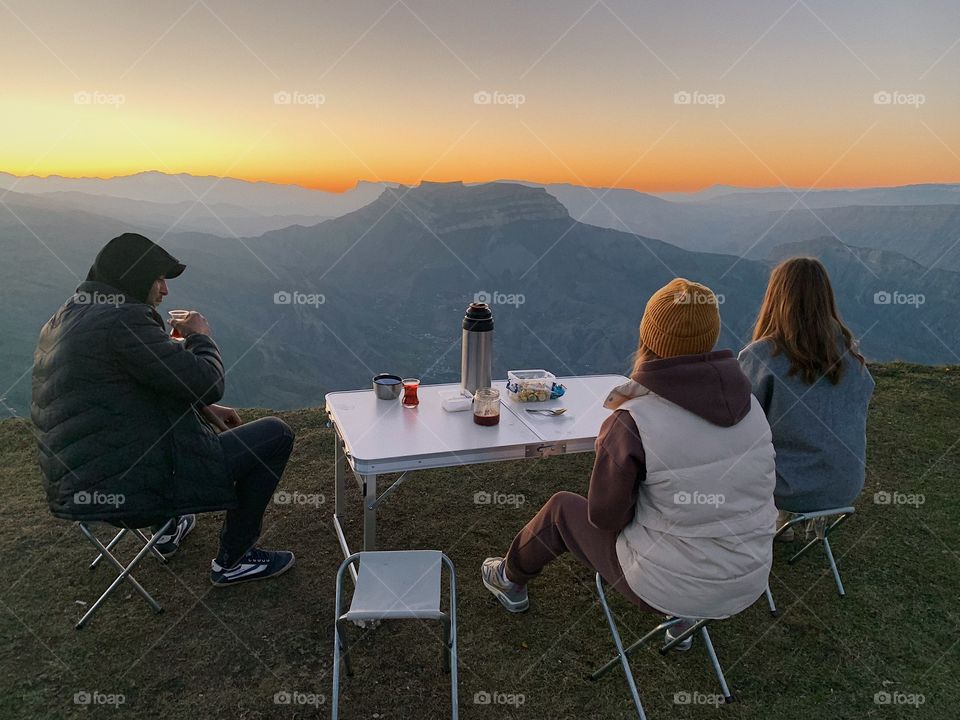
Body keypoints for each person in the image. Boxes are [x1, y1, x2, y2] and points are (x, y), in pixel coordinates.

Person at [481, 279, 777, 644]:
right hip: (749, 576)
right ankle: (683, 623)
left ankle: (509, 580)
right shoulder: (751, 409)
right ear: (710, 338)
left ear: (648, 337)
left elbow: (605, 518)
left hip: (670, 584)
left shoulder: (635, 420)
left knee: (561, 509)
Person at [32, 232, 296, 586]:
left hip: (78, 482)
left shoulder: (71, 314)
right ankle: (236, 559)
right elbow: (207, 380)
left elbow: (123, 395)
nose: (165, 290)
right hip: (129, 488)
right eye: (158, 279)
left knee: (152, 436)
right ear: (135, 278)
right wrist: (200, 336)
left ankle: (170, 527)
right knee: (275, 435)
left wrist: (204, 408)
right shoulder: (123, 321)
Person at [738, 257, 874, 537]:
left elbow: (738, 423)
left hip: (789, 488)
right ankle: (794, 521)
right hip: (845, 485)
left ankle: (760, 525)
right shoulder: (850, 357)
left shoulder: (761, 357)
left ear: (776, 298)